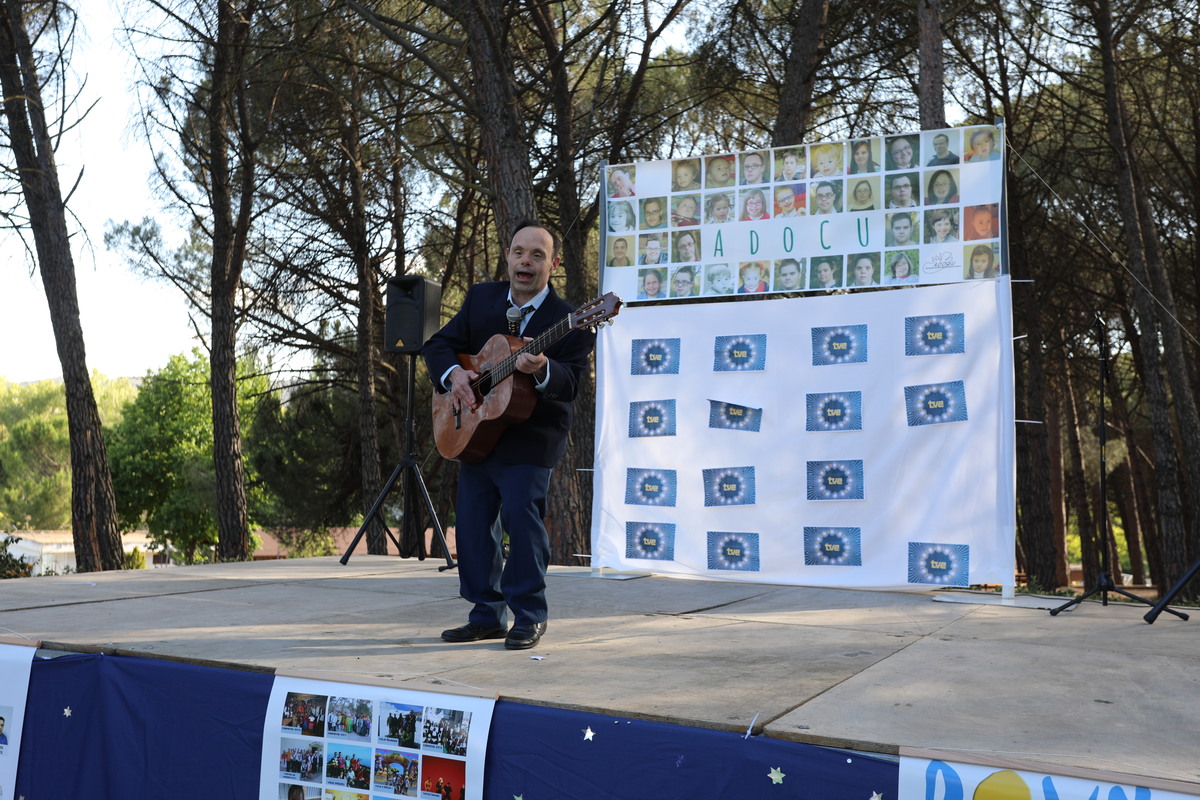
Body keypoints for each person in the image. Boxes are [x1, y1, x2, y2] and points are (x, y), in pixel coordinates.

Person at [424, 220, 597, 651]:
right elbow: (438, 345)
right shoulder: (482, 298)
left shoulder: (571, 321)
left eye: (537, 255)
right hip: (475, 431)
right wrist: (454, 375)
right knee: (472, 528)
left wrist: (543, 371)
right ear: (508, 257)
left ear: (553, 264)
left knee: (523, 524)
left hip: (530, 438)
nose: (526, 261)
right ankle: (485, 614)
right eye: (519, 252)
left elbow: (572, 383)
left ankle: (529, 616)